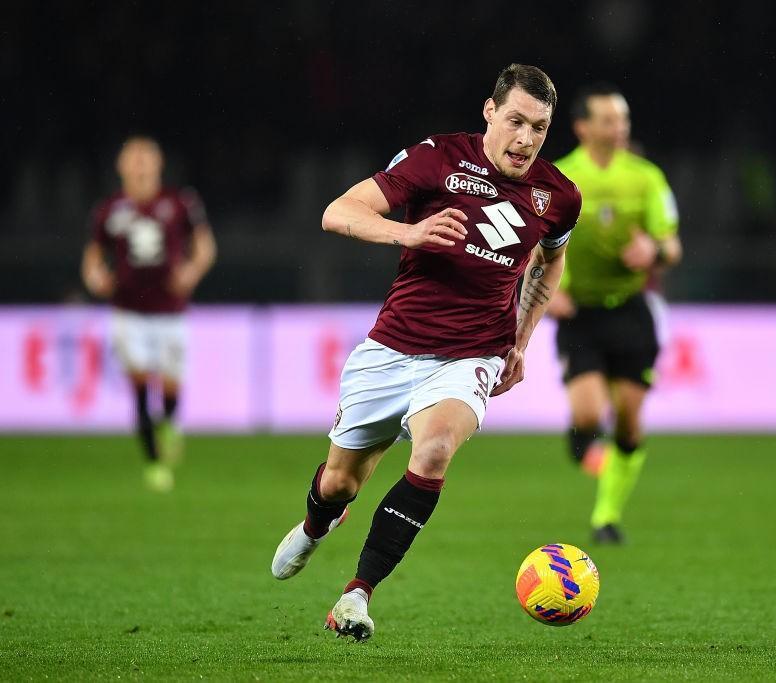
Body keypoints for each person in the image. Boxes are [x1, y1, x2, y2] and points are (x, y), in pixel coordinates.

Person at [270, 64, 581, 642]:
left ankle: (356, 597)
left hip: (472, 354)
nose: (525, 139)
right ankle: (317, 524)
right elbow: (338, 211)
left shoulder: (558, 196)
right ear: (489, 111)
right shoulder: (436, 159)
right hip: (392, 348)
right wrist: (405, 234)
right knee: (340, 482)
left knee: (434, 450)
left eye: (538, 128)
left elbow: (552, 259)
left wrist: (521, 338)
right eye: (515, 121)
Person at [547, 84, 682, 545]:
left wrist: (655, 250)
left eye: (623, 120)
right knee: (588, 414)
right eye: (608, 120)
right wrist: (548, 294)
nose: (619, 128)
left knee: (628, 422)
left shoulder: (647, 178)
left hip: (630, 311)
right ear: (582, 127)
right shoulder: (559, 177)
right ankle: (581, 436)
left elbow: (672, 245)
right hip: (579, 313)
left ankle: (606, 516)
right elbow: (531, 247)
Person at [81, 136, 217, 492]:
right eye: (133, 159)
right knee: (140, 387)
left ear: (158, 164)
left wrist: (190, 272)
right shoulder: (110, 210)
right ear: (121, 166)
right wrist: (95, 278)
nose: (140, 166)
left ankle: (170, 422)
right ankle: (155, 464)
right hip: (128, 311)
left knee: (171, 385)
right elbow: (93, 258)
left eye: (146, 159)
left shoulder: (179, 202)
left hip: (171, 312)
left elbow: (204, 246)